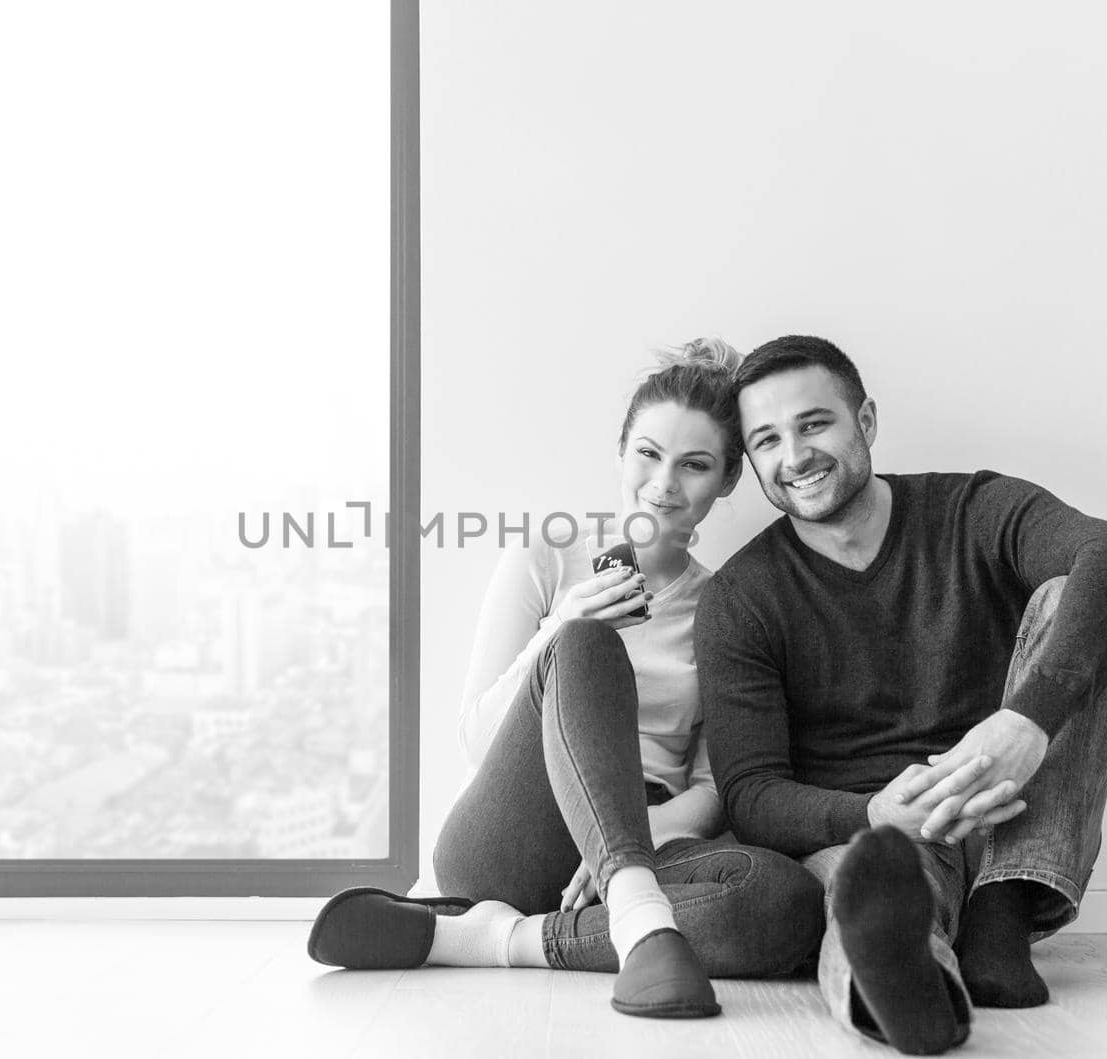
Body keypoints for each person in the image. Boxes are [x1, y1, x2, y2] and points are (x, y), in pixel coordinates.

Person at [308, 338, 825, 1017]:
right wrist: (560, 629)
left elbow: (710, 789)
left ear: (727, 480)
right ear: (620, 451)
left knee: (786, 903)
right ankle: (640, 917)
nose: (664, 483)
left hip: (645, 838)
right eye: (648, 453)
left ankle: (490, 937)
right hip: (513, 829)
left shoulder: (728, 605)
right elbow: (476, 739)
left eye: (694, 465)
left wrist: (619, 845)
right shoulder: (547, 557)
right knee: (586, 644)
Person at [695, 335, 1107, 1053]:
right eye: (767, 440)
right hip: (882, 833)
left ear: (868, 420)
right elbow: (751, 792)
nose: (795, 456)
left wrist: (1024, 723)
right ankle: (918, 990)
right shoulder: (741, 598)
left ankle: (1001, 911)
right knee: (872, 902)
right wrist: (874, 810)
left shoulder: (970, 507)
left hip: (1016, 807)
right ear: (753, 460)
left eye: (815, 423)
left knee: (1083, 601)